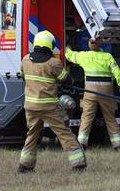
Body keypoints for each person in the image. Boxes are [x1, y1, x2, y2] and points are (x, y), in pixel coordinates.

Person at [18, 30, 86, 173]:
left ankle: (25, 165)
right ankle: (78, 163)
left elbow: (23, 76)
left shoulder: (25, 60)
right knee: (64, 133)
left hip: (30, 106)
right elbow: (66, 80)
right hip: (49, 106)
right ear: (50, 45)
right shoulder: (53, 63)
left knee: (32, 134)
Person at [67, 37, 120, 150]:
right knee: (110, 118)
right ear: (100, 45)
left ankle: (81, 143)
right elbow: (118, 74)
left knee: (86, 117)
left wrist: (67, 46)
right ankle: (118, 144)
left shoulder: (84, 56)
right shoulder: (108, 57)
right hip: (106, 92)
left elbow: (69, 55)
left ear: (89, 45)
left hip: (90, 92)